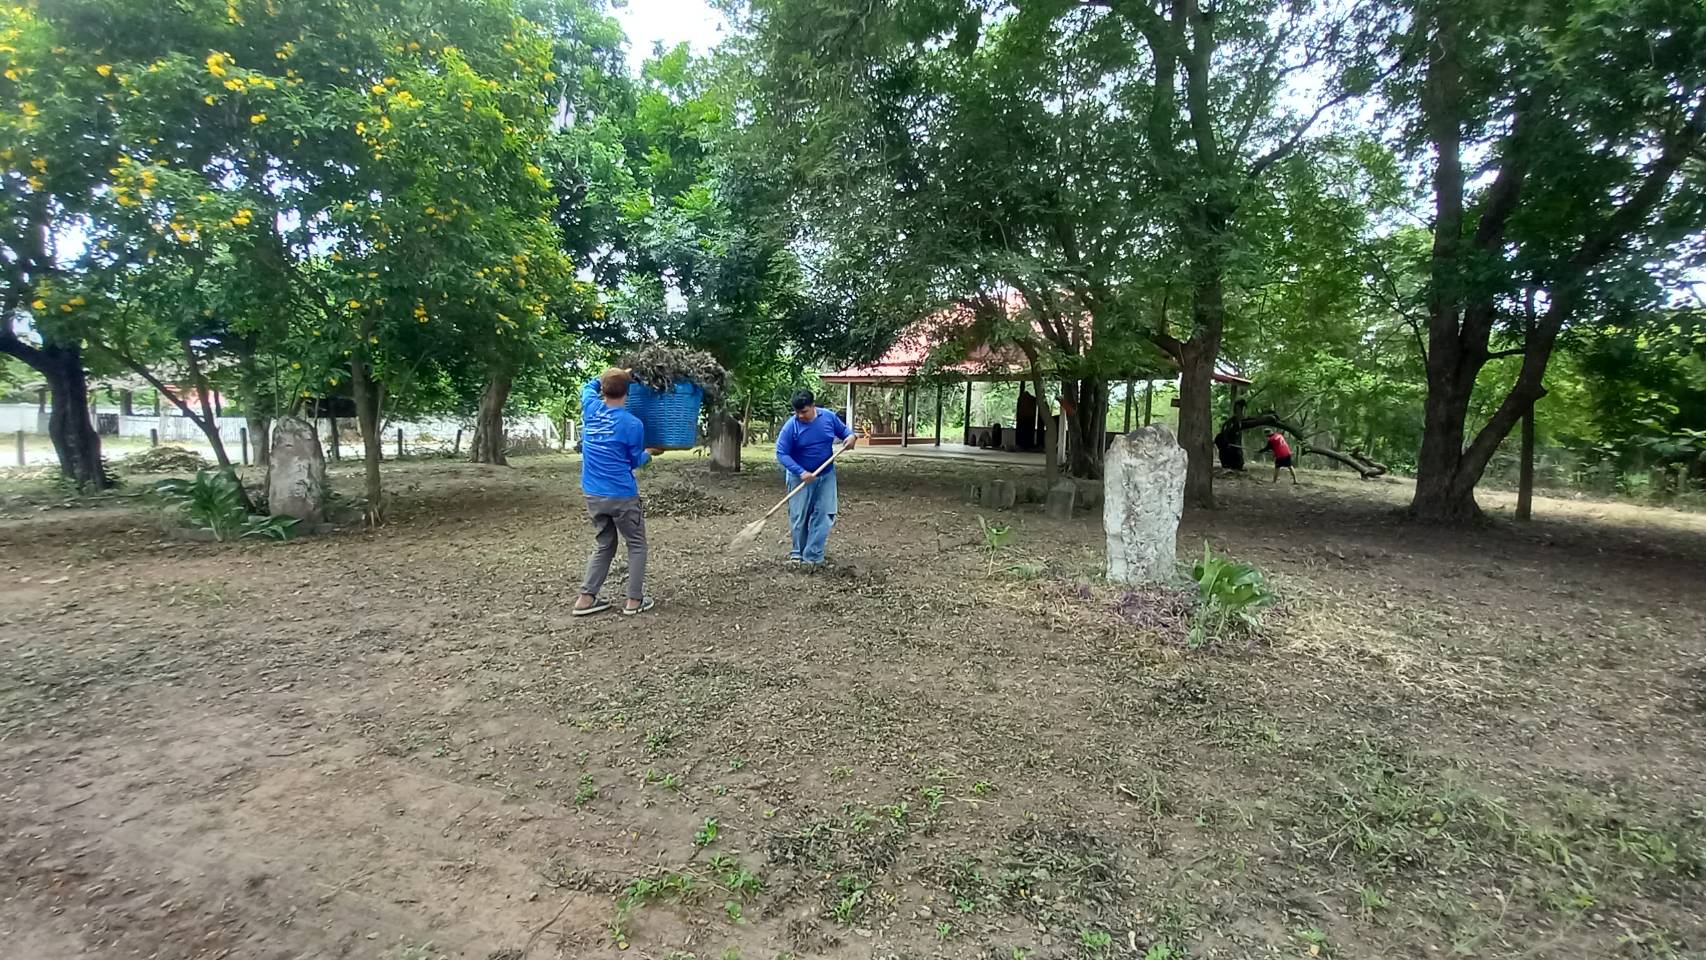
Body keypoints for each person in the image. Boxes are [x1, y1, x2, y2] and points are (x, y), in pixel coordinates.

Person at [573, 368, 663, 616]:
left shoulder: (591, 409)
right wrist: (650, 453)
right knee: (636, 544)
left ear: (602, 390)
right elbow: (634, 461)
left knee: (605, 544)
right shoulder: (632, 424)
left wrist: (614, 373)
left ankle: (585, 599)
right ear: (628, 392)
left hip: (593, 495)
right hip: (622, 495)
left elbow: (586, 387)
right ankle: (634, 601)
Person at [775, 389, 856, 565]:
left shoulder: (828, 418)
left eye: (803, 411)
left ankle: (813, 556)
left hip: (826, 475)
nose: (800, 416)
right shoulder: (791, 426)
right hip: (799, 476)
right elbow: (781, 453)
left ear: (813, 406)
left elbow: (846, 433)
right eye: (796, 412)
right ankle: (797, 554)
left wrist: (851, 437)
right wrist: (801, 472)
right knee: (799, 516)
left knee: (825, 514)